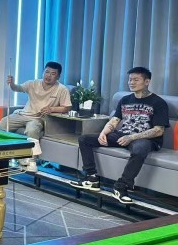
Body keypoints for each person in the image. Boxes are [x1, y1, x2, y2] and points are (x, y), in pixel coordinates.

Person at [70, 67, 169, 204]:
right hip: (123, 135)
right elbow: (115, 120)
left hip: (145, 139)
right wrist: (104, 132)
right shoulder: (125, 100)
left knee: (139, 149)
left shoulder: (158, 102)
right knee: (84, 139)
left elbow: (159, 130)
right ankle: (91, 178)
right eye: (130, 79)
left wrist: (131, 138)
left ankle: (121, 186)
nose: (131, 82)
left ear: (147, 82)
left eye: (136, 80)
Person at [0, 62, 71, 171]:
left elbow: (67, 107)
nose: (48, 75)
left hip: (39, 118)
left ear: (58, 76)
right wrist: (12, 83)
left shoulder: (62, 89)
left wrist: (52, 109)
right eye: (47, 72)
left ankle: (31, 161)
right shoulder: (33, 84)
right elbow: (17, 88)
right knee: (1, 125)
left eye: (53, 74)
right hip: (23, 114)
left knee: (32, 130)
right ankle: (4, 156)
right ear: (43, 72)